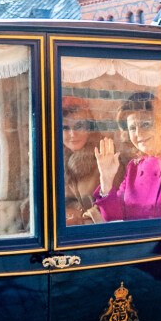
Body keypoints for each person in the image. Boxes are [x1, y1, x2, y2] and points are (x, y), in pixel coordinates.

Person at [92, 92, 161, 222]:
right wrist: (106, 180)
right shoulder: (134, 167)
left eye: (146, 124)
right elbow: (115, 219)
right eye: (132, 128)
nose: (138, 133)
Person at [62, 97, 102, 226]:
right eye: (65, 128)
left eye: (79, 126)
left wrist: (83, 219)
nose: (72, 134)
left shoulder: (104, 158)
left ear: (89, 129)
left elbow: (115, 205)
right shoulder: (53, 161)